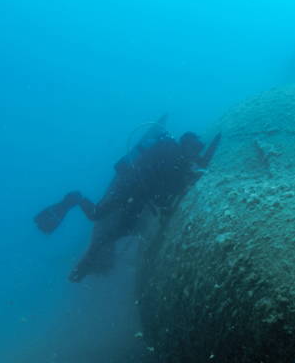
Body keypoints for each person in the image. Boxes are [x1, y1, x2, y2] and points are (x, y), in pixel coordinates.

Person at [35, 116, 220, 282]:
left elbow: (163, 188)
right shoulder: (173, 156)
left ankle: (87, 260)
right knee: (96, 214)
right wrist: (190, 177)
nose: (196, 153)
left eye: (199, 150)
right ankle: (75, 198)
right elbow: (167, 192)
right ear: (186, 145)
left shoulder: (173, 154)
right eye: (195, 148)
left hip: (136, 194)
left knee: (125, 229)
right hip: (128, 189)